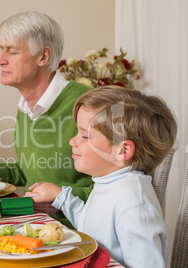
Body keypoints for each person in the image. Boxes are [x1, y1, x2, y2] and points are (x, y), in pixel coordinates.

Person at [0, 11, 93, 227]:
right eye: (1, 49)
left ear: (43, 56)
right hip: (34, 225)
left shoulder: (88, 104)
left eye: (12, 51)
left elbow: (115, 186)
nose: (0, 60)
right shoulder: (25, 108)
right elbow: (33, 169)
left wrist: (60, 198)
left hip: (76, 232)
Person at [25, 86, 177, 267]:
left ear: (123, 150)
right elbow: (90, 225)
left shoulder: (134, 202)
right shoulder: (108, 181)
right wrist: (61, 197)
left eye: (84, 135)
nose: (72, 141)